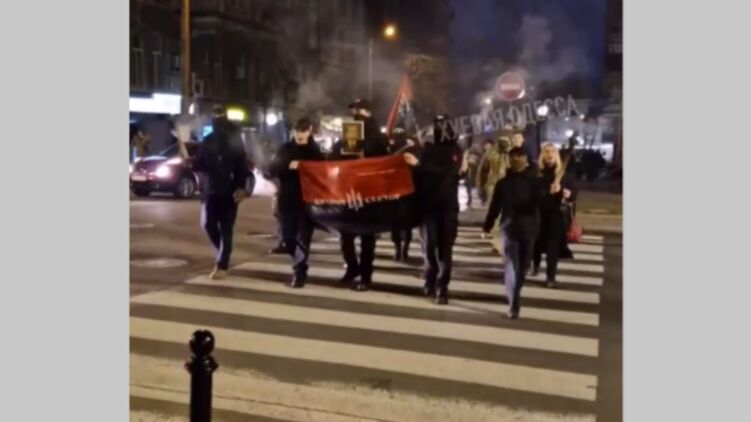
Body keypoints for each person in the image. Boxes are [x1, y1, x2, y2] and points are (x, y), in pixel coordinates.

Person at [406, 115, 467, 305]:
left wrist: (419, 165)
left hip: (447, 208)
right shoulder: (428, 149)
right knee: (429, 247)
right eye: (436, 126)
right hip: (428, 206)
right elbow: (419, 177)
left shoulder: (455, 150)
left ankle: (442, 288)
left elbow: (448, 172)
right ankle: (430, 278)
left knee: (445, 250)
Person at [331, 99, 390, 291]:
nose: (356, 114)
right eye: (354, 111)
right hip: (350, 191)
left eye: (360, 110)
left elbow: (385, 162)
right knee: (346, 234)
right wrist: (340, 151)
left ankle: (366, 275)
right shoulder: (349, 133)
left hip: (369, 193)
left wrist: (366, 156)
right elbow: (335, 157)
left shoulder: (378, 138)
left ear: (369, 113)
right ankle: (352, 267)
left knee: (367, 237)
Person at [481, 147, 541, 319]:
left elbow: (544, 202)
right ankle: (514, 301)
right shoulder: (503, 183)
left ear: (526, 159)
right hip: (509, 227)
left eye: (519, 156)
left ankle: (515, 292)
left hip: (529, 227)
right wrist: (487, 226)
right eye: (512, 157)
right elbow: (495, 206)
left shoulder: (535, 182)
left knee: (523, 266)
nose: (516, 160)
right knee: (511, 264)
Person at [192, 106, 251, 280]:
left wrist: (240, 186)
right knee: (209, 224)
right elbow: (199, 164)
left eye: (219, 116)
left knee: (224, 228)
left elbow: (241, 166)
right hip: (213, 190)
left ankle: (222, 264)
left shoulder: (233, 140)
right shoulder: (210, 140)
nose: (217, 120)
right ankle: (224, 253)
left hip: (227, 191)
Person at [266, 118, 325, 288]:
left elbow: (323, 173)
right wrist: (287, 165)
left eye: (303, 131)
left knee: (303, 239)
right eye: (297, 131)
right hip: (288, 199)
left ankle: (299, 272)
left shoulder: (315, 151)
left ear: (309, 131)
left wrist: (305, 166)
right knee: (288, 237)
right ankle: (300, 264)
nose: (299, 134)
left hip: (308, 202)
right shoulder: (286, 149)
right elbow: (271, 169)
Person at [532, 143, 577, 288]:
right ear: (542, 155)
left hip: (556, 215)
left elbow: (573, 194)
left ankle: (550, 276)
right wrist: (545, 191)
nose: (549, 154)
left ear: (556, 155)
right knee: (537, 242)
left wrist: (565, 192)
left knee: (553, 246)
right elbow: (531, 193)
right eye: (546, 151)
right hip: (539, 214)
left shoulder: (564, 174)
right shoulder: (536, 173)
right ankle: (535, 264)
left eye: (552, 151)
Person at [388, 127, 421, 262]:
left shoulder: (409, 148)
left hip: (401, 191)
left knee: (398, 222)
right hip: (403, 191)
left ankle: (401, 249)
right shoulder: (396, 149)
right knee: (402, 222)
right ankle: (401, 249)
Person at [463, 135, 483, 208]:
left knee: (473, 185)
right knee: (469, 185)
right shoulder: (468, 151)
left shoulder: (472, 151)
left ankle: (480, 198)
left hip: (473, 171)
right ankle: (471, 199)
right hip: (470, 171)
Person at [476, 138, 494, 205]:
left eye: (489, 146)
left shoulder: (492, 155)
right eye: (486, 145)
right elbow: (480, 165)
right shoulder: (483, 154)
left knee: (486, 189)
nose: (487, 147)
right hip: (482, 175)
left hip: (488, 174)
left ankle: (487, 201)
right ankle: (483, 200)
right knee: (481, 189)